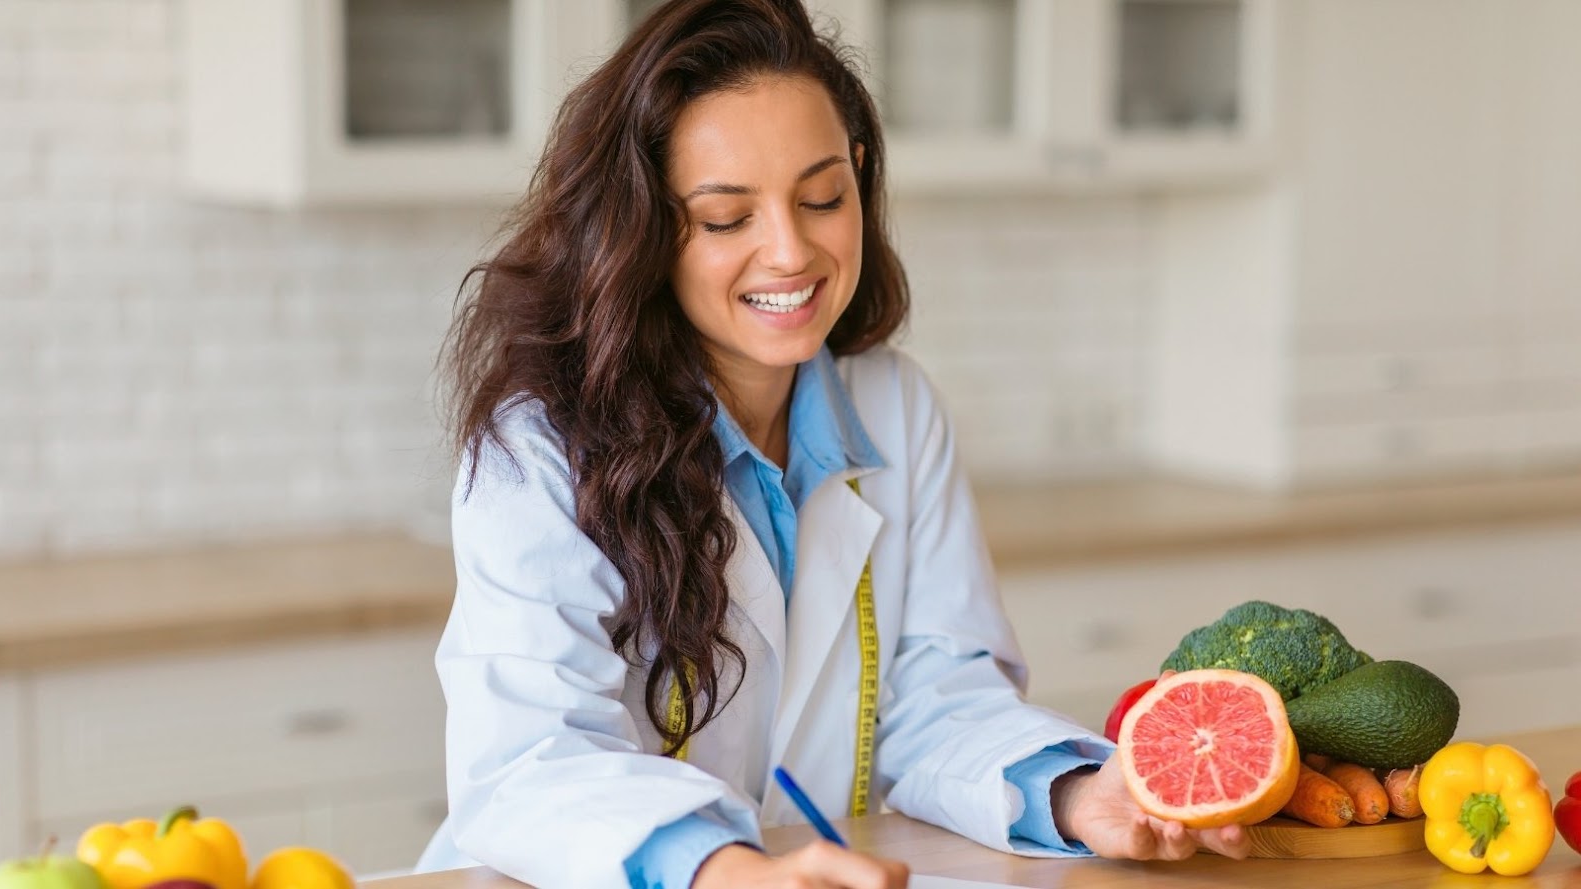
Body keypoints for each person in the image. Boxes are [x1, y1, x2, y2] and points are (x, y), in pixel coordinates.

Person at [414, 1, 1250, 887]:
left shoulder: (896, 409)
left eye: (822, 198)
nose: (790, 250)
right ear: (645, 233)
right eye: (727, 218)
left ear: (859, 177)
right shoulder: (540, 444)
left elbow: (941, 700)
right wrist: (722, 869)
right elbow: (532, 761)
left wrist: (1080, 792)